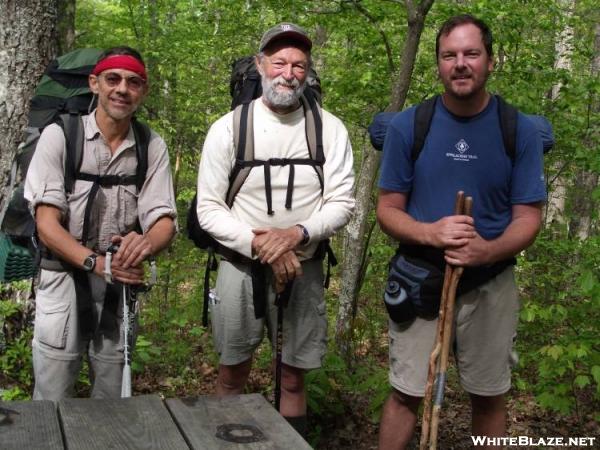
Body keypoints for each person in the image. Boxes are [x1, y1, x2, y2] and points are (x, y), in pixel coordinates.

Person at [376, 14, 546, 449]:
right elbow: (388, 210)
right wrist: (432, 233)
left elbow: (528, 217)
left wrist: (486, 251)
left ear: (491, 61)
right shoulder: (408, 126)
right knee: (405, 393)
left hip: (490, 281)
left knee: (490, 396)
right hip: (419, 277)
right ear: (438, 65)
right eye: (449, 55)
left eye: (472, 53)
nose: (461, 63)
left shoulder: (519, 130)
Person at [196, 23, 355, 435]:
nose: (288, 73)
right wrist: (261, 243)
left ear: (308, 71)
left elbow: (342, 203)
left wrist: (295, 235)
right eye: (280, 62)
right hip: (239, 265)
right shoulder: (228, 128)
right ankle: (223, 442)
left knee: (292, 376)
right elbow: (208, 208)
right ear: (260, 64)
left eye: (299, 65)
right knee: (233, 371)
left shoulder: (329, 129)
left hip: (304, 265)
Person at [25, 46, 177, 400]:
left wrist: (146, 244)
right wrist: (96, 263)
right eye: (113, 79)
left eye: (133, 82)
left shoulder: (150, 145)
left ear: (144, 90)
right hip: (62, 280)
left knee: (112, 400)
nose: (122, 89)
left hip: (118, 288)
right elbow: (46, 223)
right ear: (95, 83)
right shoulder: (61, 135)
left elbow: (164, 220)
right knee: (51, 394)